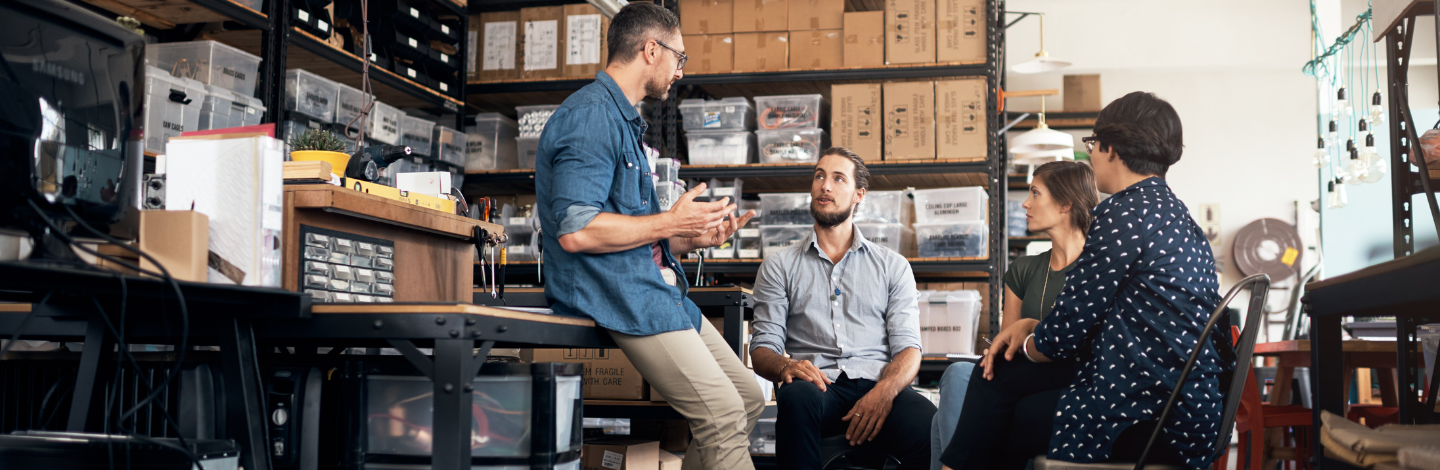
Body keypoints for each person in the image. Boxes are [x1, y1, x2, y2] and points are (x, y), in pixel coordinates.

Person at [940, 92, 1228, 470]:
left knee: (1001, 401)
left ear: (1112, 148)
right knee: (999, 394)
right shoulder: (1177, 215)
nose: (1089, 155)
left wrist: (1027, 337)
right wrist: (1032, 329)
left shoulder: (1122, 213)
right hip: (1190, 405)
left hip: (1149, 415)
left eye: (1092, 144)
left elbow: (1062, 338)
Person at [534, 4, 765, 469]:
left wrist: (689, 237)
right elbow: (576, 232)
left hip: (654, 287)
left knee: (747, 399)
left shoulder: (625, 122)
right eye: (679, 58)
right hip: (618, 293)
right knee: (721, 411)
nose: (681, 70)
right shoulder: (591, 117)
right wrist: (670, 223)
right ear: (651, 49)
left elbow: (631, 231)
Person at [750, 147, 936, 470]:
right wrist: (785, 367)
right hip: (819, 389)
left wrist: (885, 391)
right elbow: (762, 348)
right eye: (819, 176)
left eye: (838, 178)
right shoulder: (779, 266)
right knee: (795, 397)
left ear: (858, 195)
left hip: (878, 384)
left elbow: (909, 350)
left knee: (929, 426)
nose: (825, 186)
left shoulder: (893, 267)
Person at [929, 161, 1099, 470]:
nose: (1025, 203)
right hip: (1021, 378)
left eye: (1035, 193)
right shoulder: (1024, 269)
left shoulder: (1099, 268)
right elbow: (1006, 350)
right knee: (957, 377)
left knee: (965, 420)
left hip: (1070, 382)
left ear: (1065, 203)